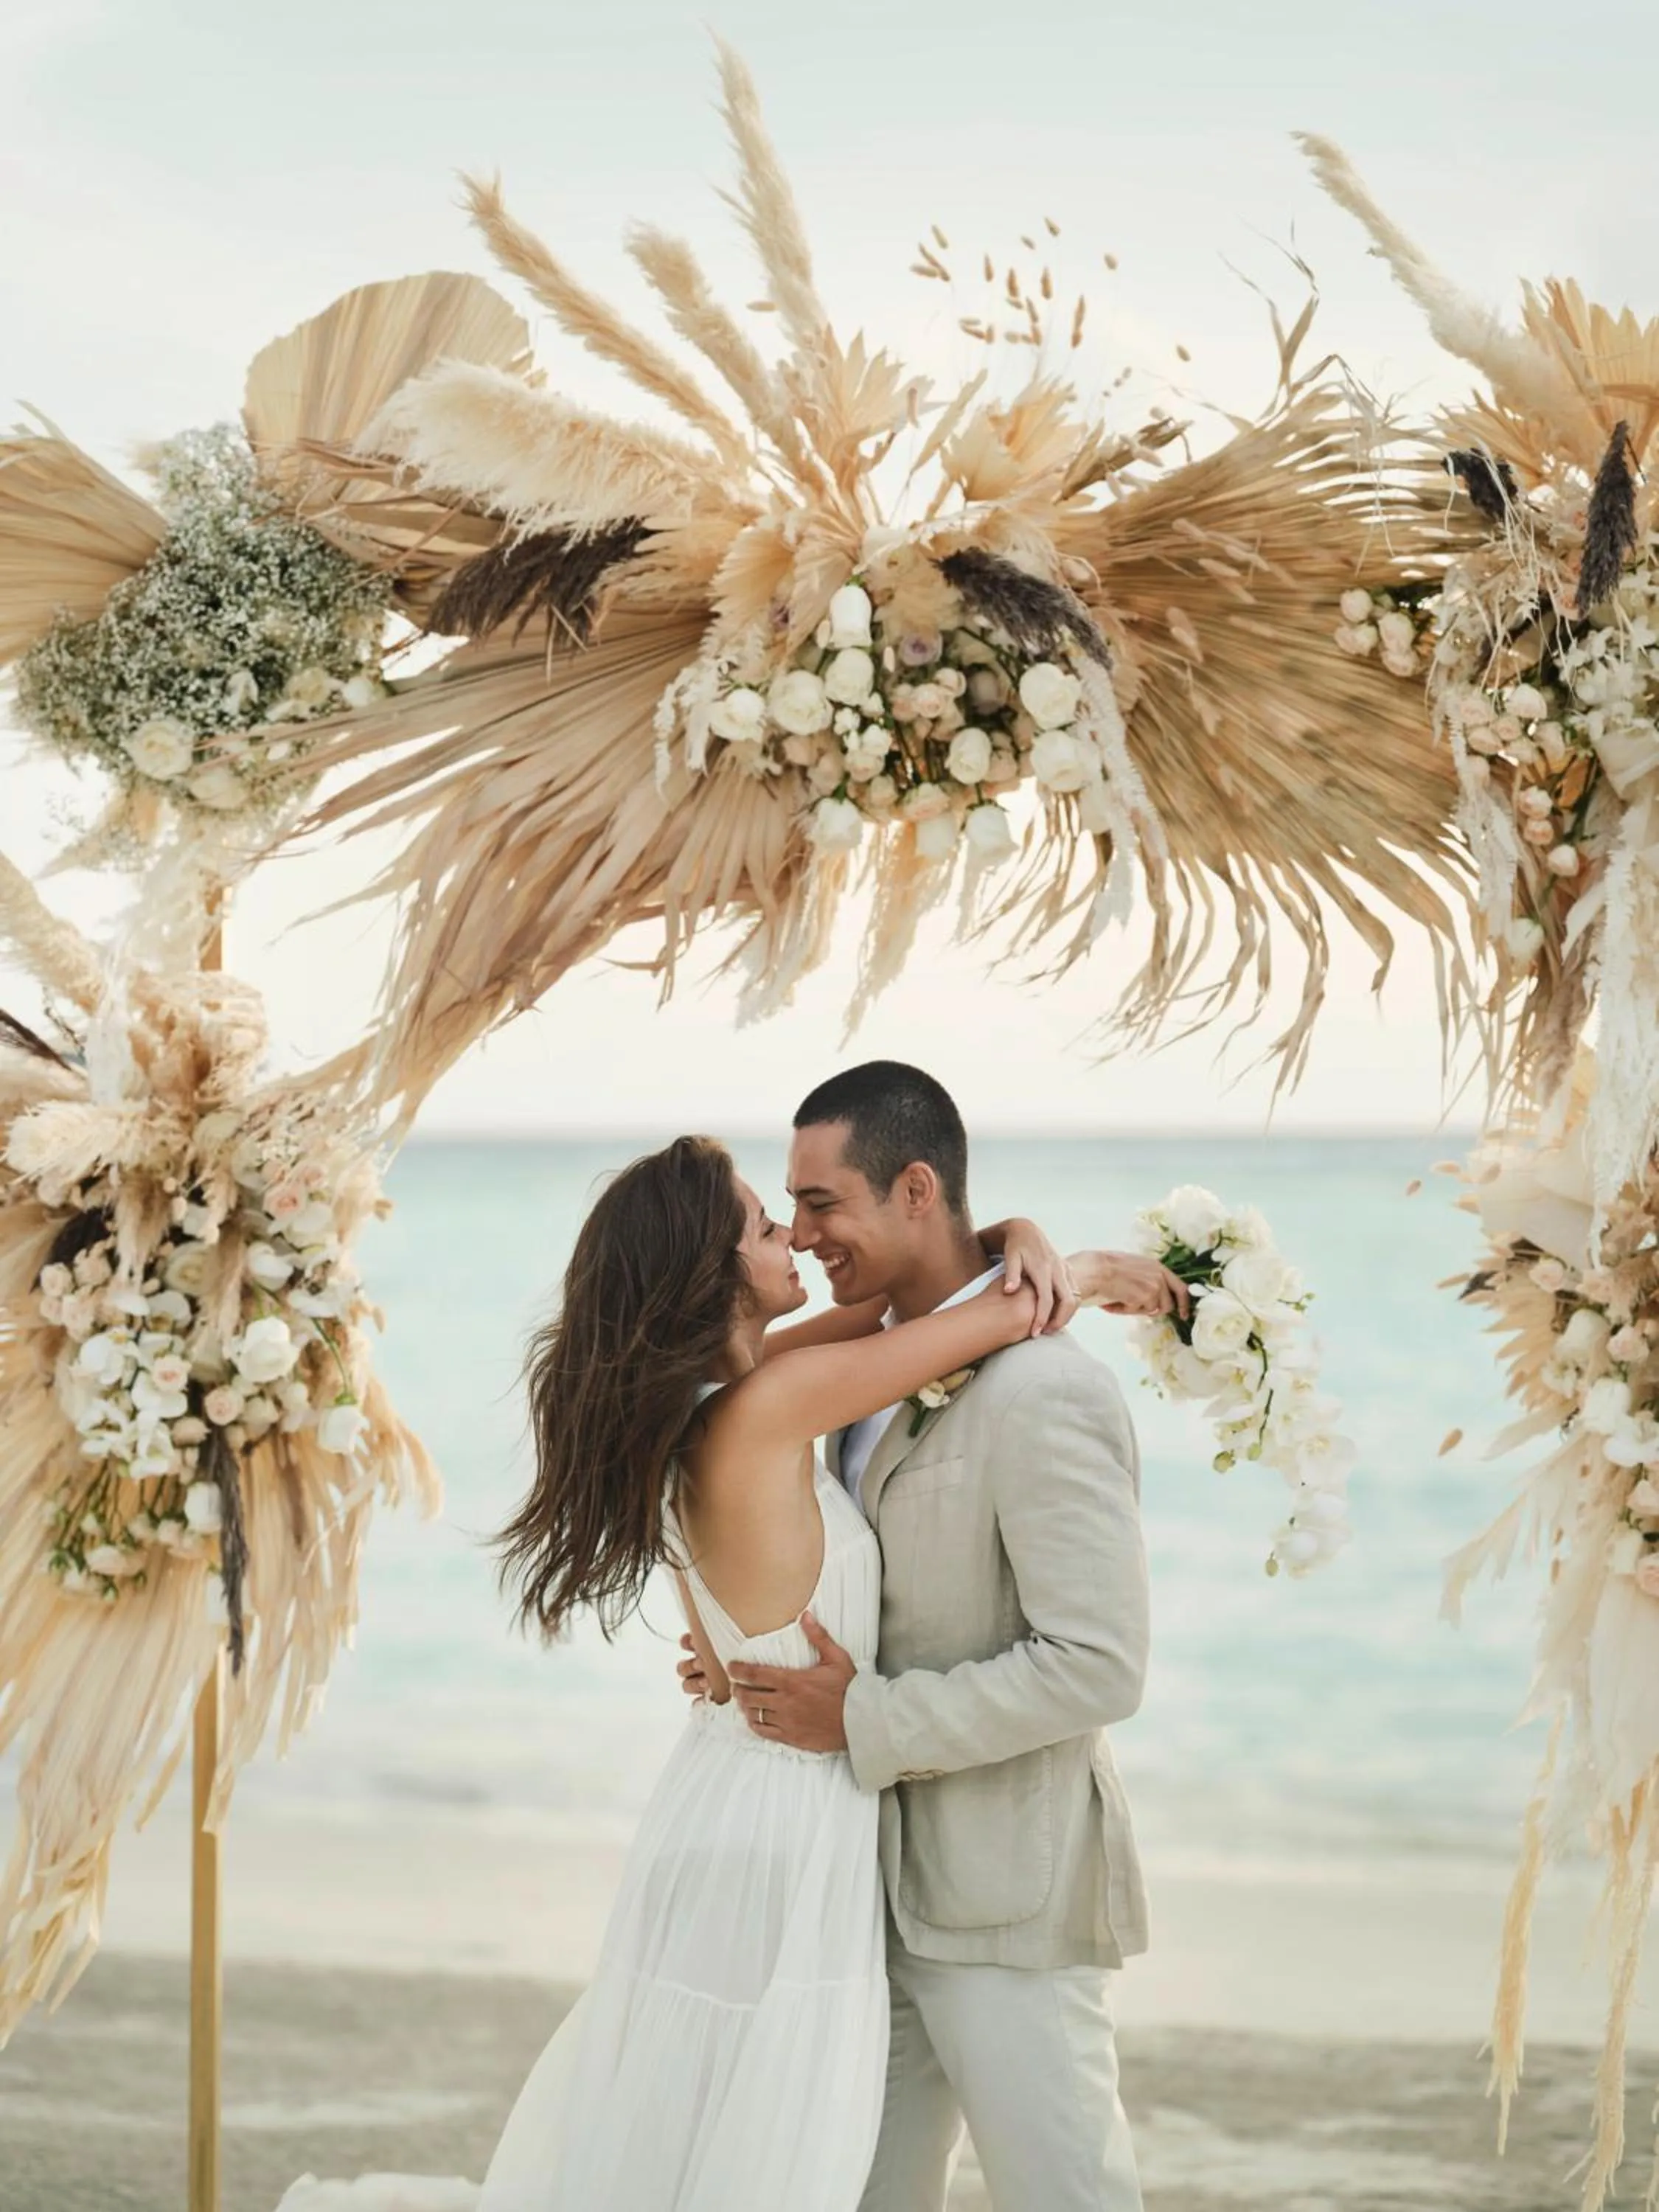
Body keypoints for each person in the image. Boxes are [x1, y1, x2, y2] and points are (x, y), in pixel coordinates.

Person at [277, 1107, 1178, 2212]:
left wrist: (1013, 1238)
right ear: (714, 1278)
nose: (793, 1241)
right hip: (784, 1815)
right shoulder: (772, 1405)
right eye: (765, 1226)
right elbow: (960, 1329)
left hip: (735, 1795)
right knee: (768, 2141)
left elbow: (915, 1318)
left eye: (801, 1212)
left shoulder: (719, 1396)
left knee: (726, 2131)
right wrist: (1062, 1263)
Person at [681, 1062, 1170, 2211]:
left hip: (1001, 1895)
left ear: (912, 1189)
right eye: (789, 1210)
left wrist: (857, 1719)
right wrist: (748, 1653)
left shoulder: (1042, 1390)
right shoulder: (846, 1380)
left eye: (818, 1203)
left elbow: (1099, 1663)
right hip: (851, 1891)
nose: (800, 1237)